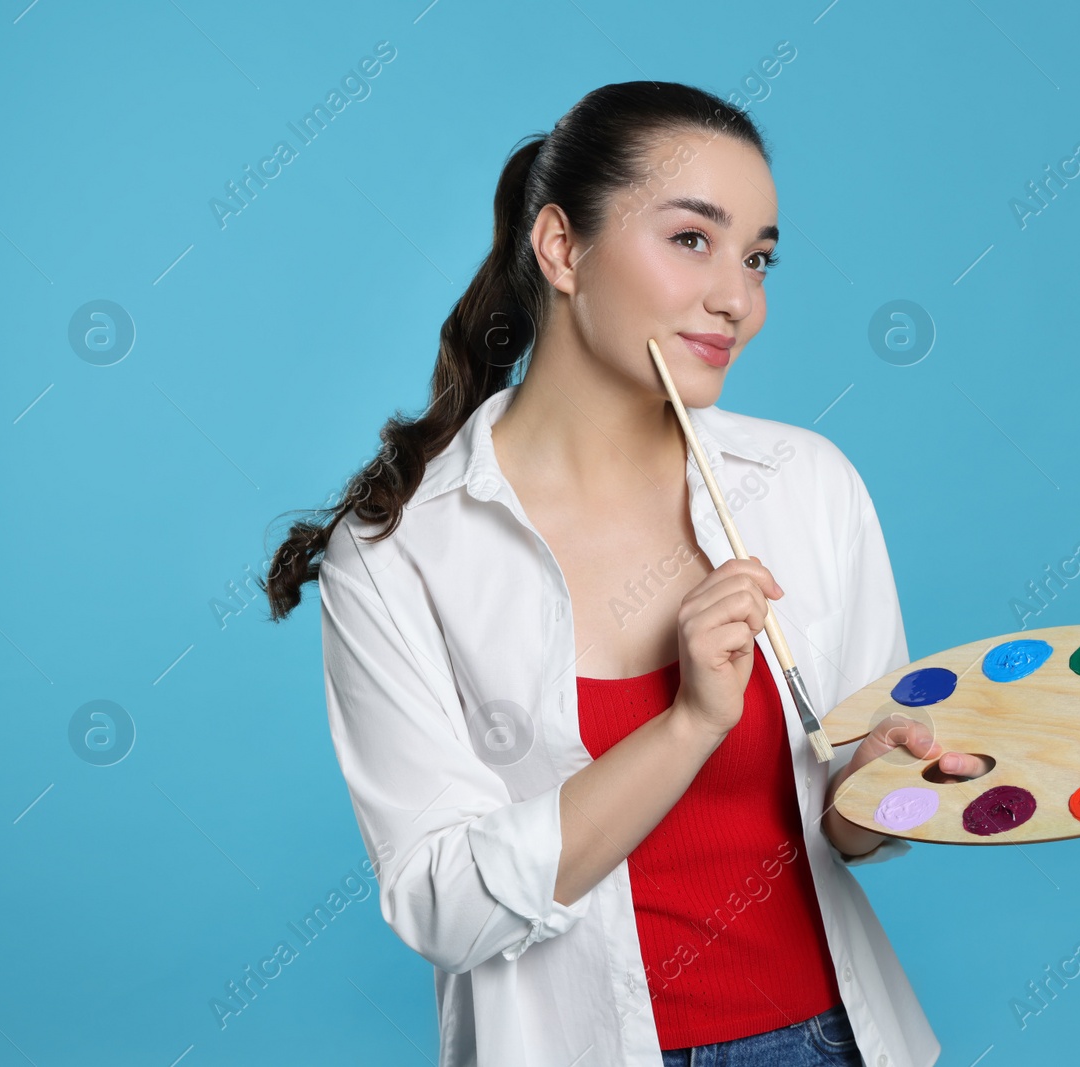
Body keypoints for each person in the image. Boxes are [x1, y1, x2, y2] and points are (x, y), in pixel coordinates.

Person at [264, 80, 987, 1067]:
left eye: (759, 257)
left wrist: (885, 790)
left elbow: (848, 826)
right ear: (562, 248)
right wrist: (688, 722)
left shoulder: (805, 486)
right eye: (692, 238)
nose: (738, 299)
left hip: (832, 1042)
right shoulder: (402, 552)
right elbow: (443, 903)